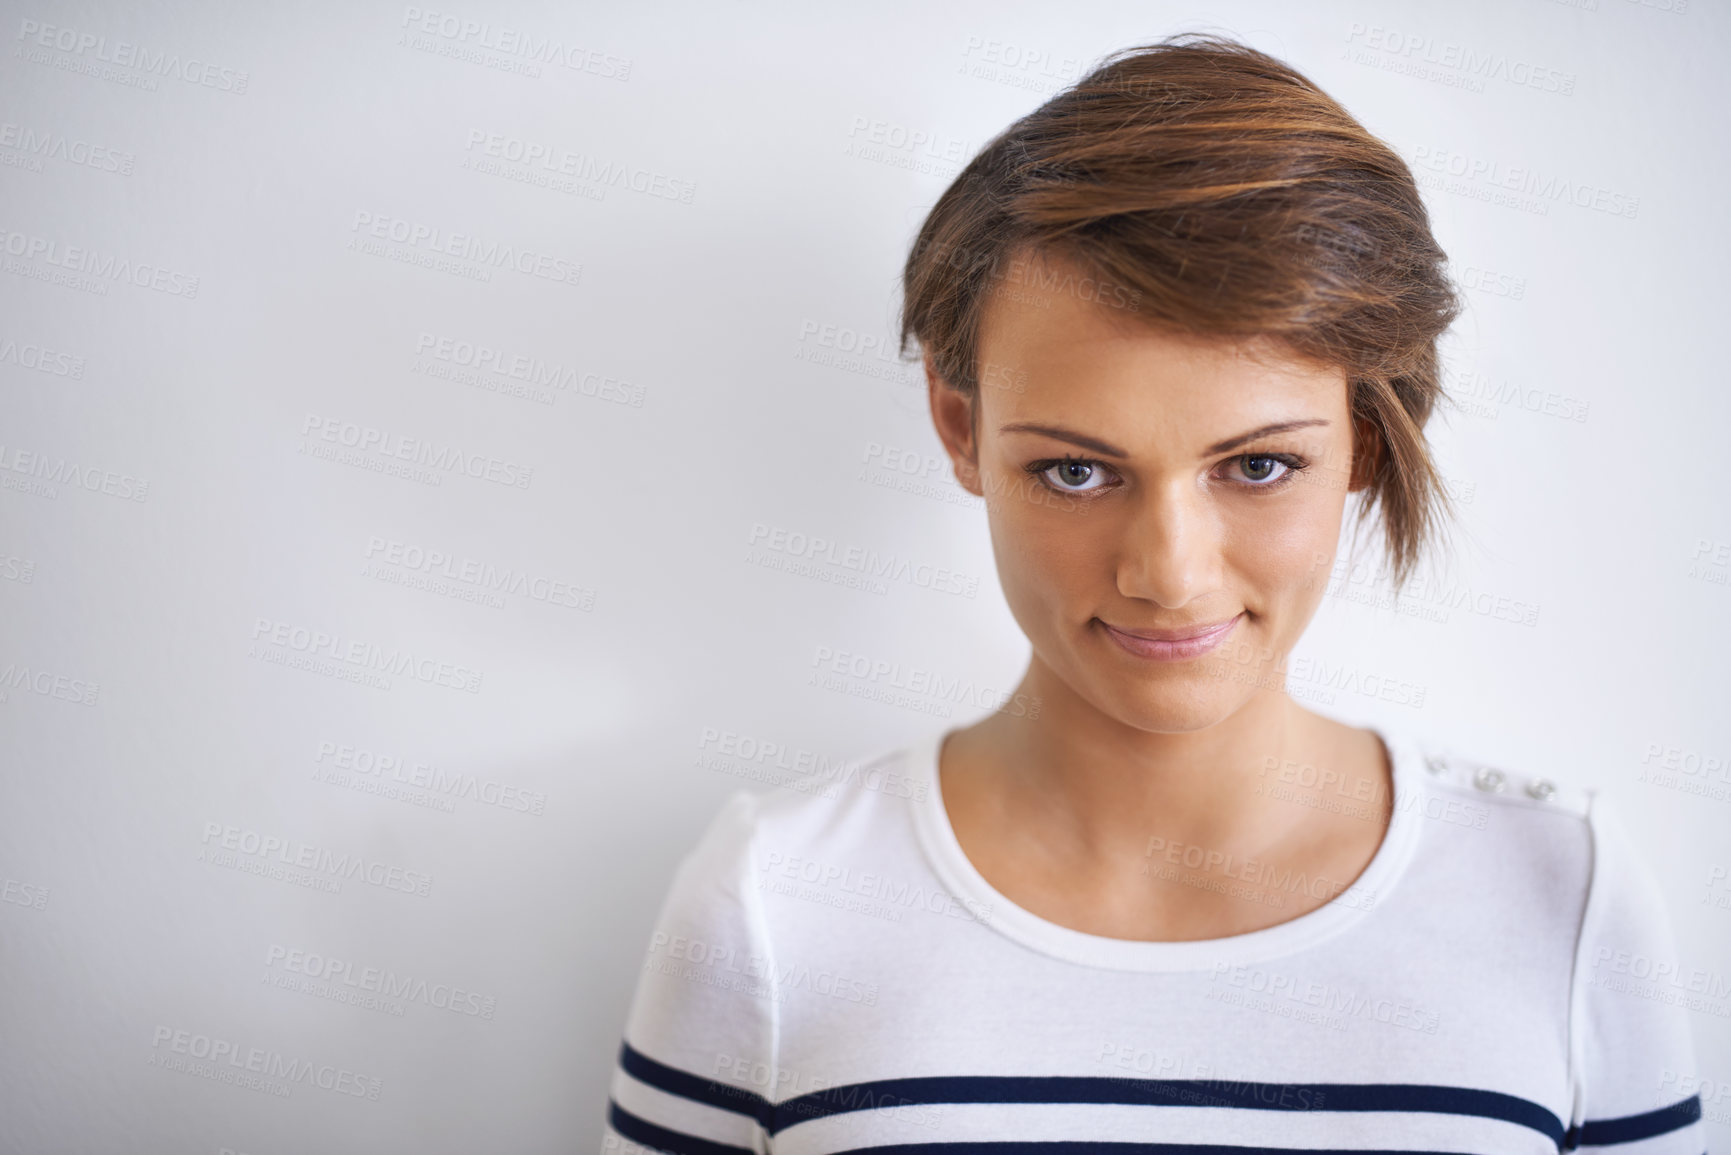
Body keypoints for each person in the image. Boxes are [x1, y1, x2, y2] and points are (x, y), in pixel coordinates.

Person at [598, 32, 1704, 1154]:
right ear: (960, 424)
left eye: (1259, 465)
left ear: (1369, 436)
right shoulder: (776, 903)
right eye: (1076, 470)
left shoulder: (1562, 895)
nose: (1168, 574)